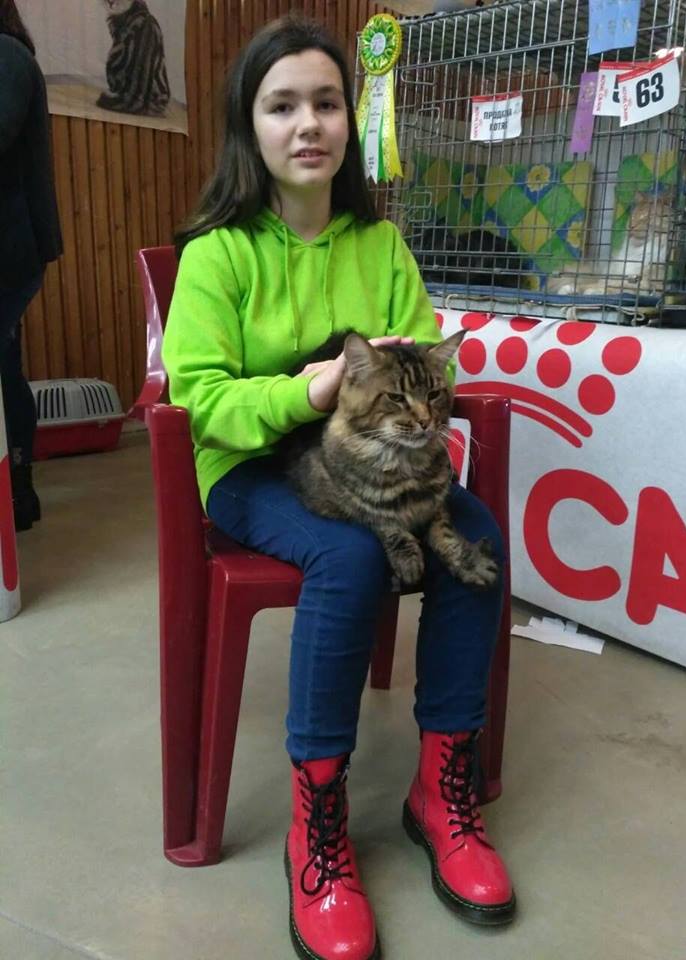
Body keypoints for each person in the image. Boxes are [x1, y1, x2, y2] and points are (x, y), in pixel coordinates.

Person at [162, 16, 515, 960]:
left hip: (373, 461)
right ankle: (316, 822)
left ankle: (440, 790)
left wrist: (405, 416)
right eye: (282, 106)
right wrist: (309, 390)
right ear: (250, 126)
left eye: (326, 102)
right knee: (351, 558)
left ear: (350, 122)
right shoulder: (218, 252)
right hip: (249, 467)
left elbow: (423, 358)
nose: (308, 123)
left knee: (479, 534)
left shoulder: (380, 243)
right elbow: (200, 401)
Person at [0, 0, 62, 530]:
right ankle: (18, 490)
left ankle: (17, 487)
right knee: (4, 364)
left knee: (2, 367)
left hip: (10, 244)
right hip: (13, 241)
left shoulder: (7, 55)